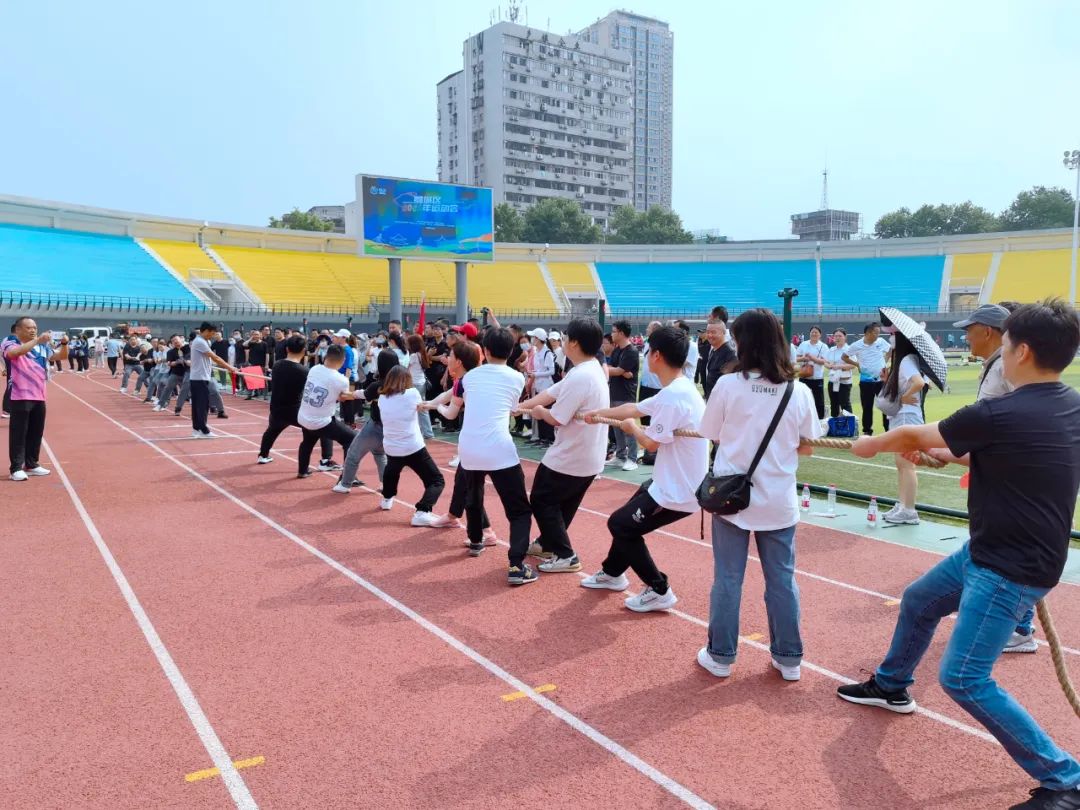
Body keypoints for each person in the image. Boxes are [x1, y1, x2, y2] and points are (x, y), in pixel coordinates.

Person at [839, 300, 1080, 810]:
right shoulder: (1069, 405)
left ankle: (1065, 779)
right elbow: (993, 452)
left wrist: (871, 443)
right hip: (995, 551)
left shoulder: (999, 411)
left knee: (964, 678)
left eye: (1006, 343)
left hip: (1008, 567)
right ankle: (891, 685)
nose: (1001, 352)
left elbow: (909, 432)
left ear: (1022, 351)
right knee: (919, 601)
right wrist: (938, 453)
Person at [696, 308, 822, 681]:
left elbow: (711, 432)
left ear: (743, 343)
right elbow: (808, 446)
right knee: (782, 579)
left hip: (732, 497)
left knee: (728, 578)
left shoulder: (727, 385)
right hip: (778, 499)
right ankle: (789, 658)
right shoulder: (797, 390)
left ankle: (720, 656)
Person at [580, 325, 707, 612]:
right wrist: (597, 413)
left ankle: (659, 589)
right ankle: (612, 573)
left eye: (648, 351)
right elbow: (635, 408)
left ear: (656, 355)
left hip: (678, 492)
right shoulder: (677, 388)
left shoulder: (675, 395)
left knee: (620, 525)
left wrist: (632, 429)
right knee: (626, 521)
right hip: (665, 482)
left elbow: (650, 443)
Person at [516, 318, 608, 573]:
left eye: (566, 338)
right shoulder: (587, 369)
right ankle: (549, 544)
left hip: (572, 454)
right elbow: (551, 393)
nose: (563, 342)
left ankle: (566, 554)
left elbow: (556, 417)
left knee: (541, 499)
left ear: (575, 343)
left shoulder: (582, 375)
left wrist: (538, 412)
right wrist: (519, 407)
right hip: (587, 454)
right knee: (563, 503)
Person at [454, 327, 535, 585]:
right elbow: (512, 408)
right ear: (511, 352)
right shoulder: (517, 377)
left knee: (473, 494)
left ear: (485, 351)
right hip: (499, 448)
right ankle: (516, 565)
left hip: (469, 446)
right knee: (519, 510)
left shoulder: (469, 377)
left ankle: (476, 540)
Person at [376, 366, 447, 526]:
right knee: (436, 480)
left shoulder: (382, 398)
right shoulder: (412, 393)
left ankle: (387, 498)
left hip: (392, 447)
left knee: (392, 472)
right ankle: (422, 511)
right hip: (413, 447)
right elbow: (422, 406)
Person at [3, 317, 67, 480]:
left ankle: (31, 464)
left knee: (35, 432)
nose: (33, 330)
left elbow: (60, 356)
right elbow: (14, 354)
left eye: (35, 328)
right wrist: (37, 340)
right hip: (20, 396)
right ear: (18, 330)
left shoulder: (42, 347)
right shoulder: (10, 342)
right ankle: (16, 468)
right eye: (29, 328)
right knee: (19, 433)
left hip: (39, 395)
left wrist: (65, 344)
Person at [877, 331, 930, 525]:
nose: (890, 339)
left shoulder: (907, 360)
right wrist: (888, 381)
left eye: (893, 335)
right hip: (902, 416)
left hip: (906, 417)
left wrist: (905, 397)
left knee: (906, 464)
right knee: (902, 464)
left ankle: (909, 510)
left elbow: (919, 383)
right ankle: (903, 505)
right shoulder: (907, 360)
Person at [257, 334, 333, 465]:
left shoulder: (277, 365)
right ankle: (326, 460)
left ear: (287, 349)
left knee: (272, 431)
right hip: (295, 411)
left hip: (276, 409)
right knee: (324, 425)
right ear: (304, 351)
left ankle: (263, 455)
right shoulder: (304, 371)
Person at [335, 349, 398, 493]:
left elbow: (363, 394)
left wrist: (347, 394)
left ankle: (345, 484)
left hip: (376, 426)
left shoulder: (379, 385)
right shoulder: (403, 385)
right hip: (392, 428)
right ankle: (385, 484)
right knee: (380, 454)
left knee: (353, 454)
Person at [296, 344, 360, 478]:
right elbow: (342, 398)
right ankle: (348, 477)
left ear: (326, 356)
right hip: (320, 420)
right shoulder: (341, 380)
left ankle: (302, 470)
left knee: (307, 441)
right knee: (351, 439)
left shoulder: (314, 369)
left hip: (304, 416)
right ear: (343, 360)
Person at [188, 322, 238, 439]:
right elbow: (215, 357)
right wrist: (230, 367)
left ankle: (196, 429)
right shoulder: (199, 341)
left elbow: (210, 359)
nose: (213, 335)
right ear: (206, 331)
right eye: (212, 333)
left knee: (198, 405)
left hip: (201, 377)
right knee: (202, 405)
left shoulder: (204, 341)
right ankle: (203, 430)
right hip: (199, 378)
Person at [843, 322, 892, 436]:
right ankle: (867, 431)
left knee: (885, 405)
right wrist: (857, 364)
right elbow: (844, 357)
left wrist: (885, 362)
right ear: (868, 333)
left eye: (879, 333)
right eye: (876, 333)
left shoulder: (880, 341)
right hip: (866, 382)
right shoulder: (856, 345)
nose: (878, 335)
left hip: (881, 381)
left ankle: (888, 429)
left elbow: (890, 350)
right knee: (867, 407)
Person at [605, 319, 641, 472]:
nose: (612, 334)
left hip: (626, 395)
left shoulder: (631, 351)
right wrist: (617, 370)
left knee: (628, 427)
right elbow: (616, 369)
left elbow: (618, 370)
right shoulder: (617, 350)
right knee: (616, 426)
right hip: (614, 392)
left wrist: (615, 370)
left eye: (614, 331)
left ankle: (632, 458)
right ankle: (620, 456)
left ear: (621, 333)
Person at [524, 327, 556, 447]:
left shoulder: (547, 353)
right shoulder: (538, 352)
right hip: (539, 386)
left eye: (534, 337)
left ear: (538, 339)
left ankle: (549, 438)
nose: (532, 339)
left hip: (546, 387)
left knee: (546, 412)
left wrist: (536, 374)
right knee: (539, 412)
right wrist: (534, 373)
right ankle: (542, 437)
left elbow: (552, 371)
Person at [796, 325, 828, 420]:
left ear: (820, 335)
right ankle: (802, 419)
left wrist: (812, 358)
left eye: (816, 332)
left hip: (817, 377)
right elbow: (796, 358)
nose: (814, 334)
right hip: (804, 376)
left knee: (819, 401)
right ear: (809, 333)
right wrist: (804, 358)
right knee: (802, 399)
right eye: (812, 332)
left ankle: (820, 420)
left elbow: (825, 361)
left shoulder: (823, 346)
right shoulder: (803, 344)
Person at [406, 333, 434, 440]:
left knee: (419, 408)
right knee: (422, 407)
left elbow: (405, 367)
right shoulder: (422, 354)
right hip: (421, 382)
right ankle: (426, 431)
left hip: (415, 383)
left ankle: (427, 432)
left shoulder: (413, 356)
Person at [702, 319, 736, 401]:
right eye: (708, 332)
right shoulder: (713, 349)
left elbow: (732, 384)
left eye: (713, 332)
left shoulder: (730, 353)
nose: (709, 335)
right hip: (712, 399)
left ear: (723, 333)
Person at [826, 328, 855, 417]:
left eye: (840, 336)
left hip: (844, 381)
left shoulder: (849, 349)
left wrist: (839, 366)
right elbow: (825, 362)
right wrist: (829, 365)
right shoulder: (831, 349)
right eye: (835, 336)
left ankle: (849, 424)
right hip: (833, 380)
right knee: (834, 404)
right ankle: (835, 424)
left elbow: (853, 365)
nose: (837, 338)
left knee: (845, 404)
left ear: (845, 337)